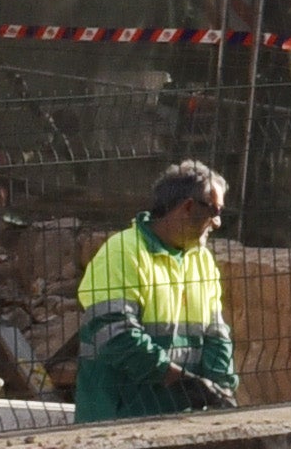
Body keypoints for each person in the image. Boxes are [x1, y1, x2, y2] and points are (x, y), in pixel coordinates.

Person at [73, 166, 241, 423]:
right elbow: (117, 337)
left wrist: (223, 388)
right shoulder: (122, 253)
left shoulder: (201, 260)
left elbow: (217, 336)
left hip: (178, 420)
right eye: (214, 211)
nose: (217, 223)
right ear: (187, 207)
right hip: (116, 420)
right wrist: (183, 381)